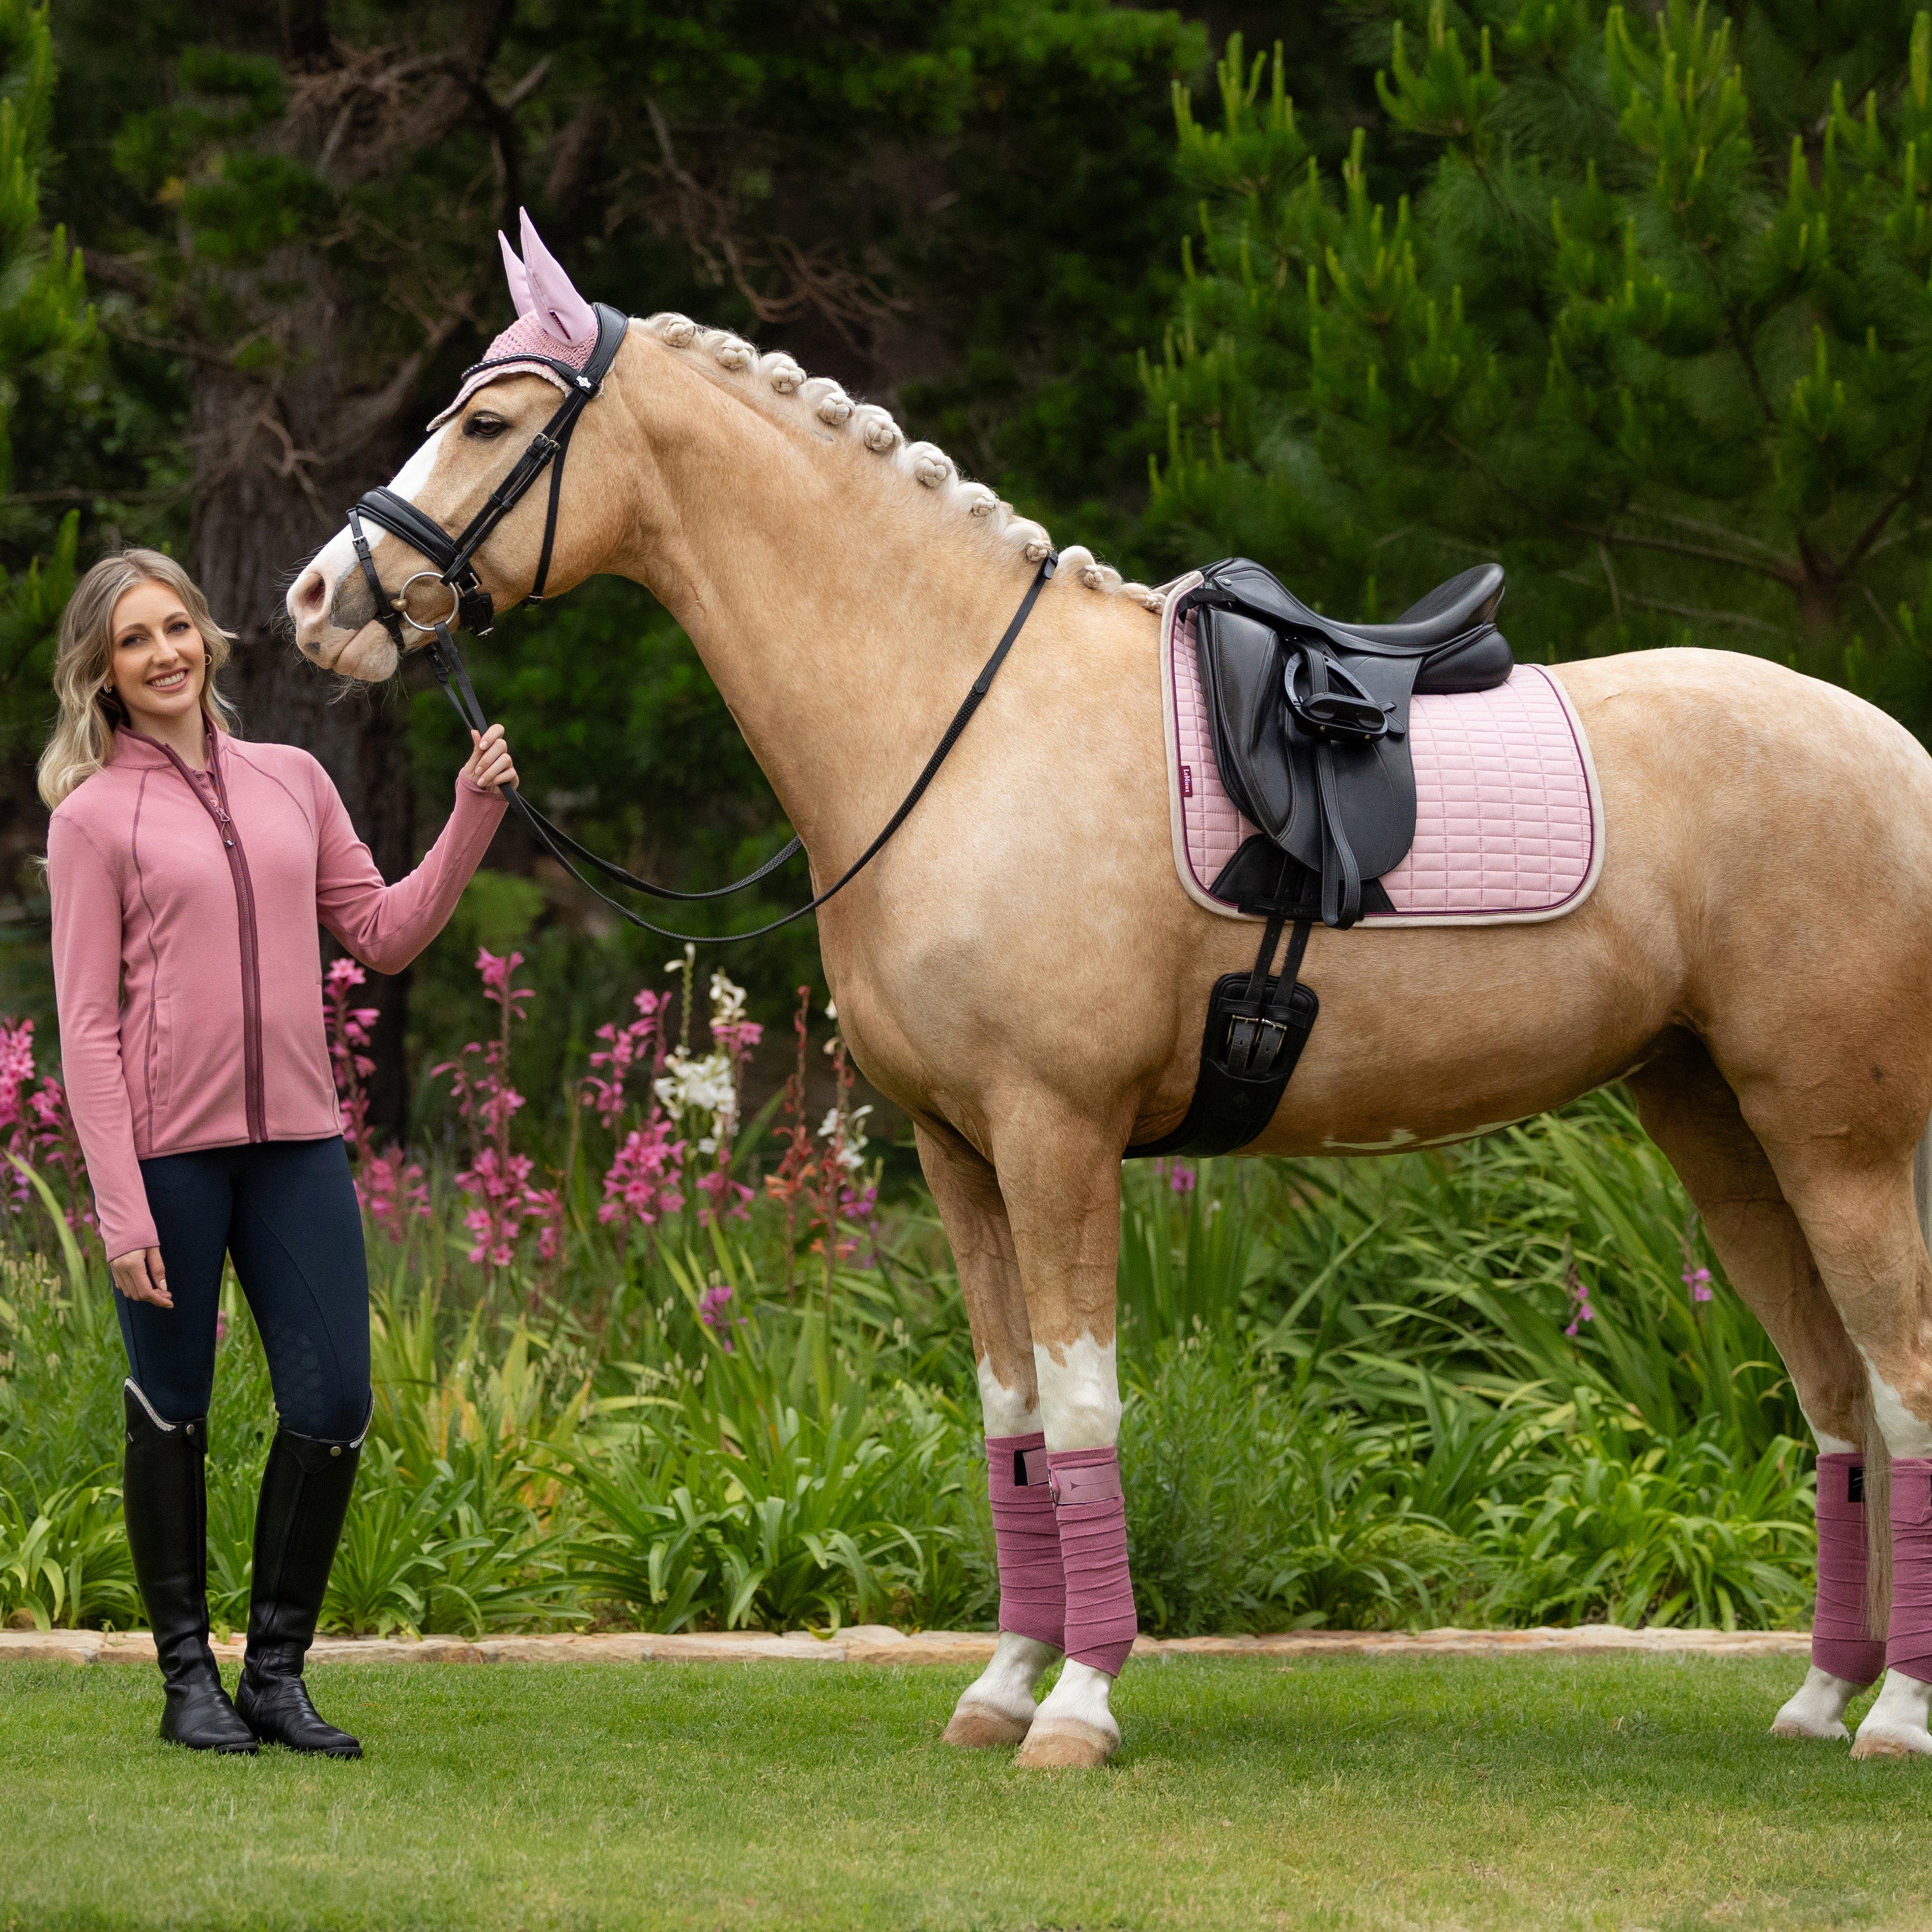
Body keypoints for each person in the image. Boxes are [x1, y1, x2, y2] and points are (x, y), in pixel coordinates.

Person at [41, 550, 513, 1755]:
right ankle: (187, 1679)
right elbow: (87, 1024)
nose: (164, 655)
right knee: (172, 1406)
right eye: (134, 641)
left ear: (208, 636)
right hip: (166, 1163)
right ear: (101, 672)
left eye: (176, 628)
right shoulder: (93, 818)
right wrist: (118, 1206)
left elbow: (384, 932)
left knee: (335, 1402)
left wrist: (471, 814)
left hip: (299, 1144)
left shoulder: (293, 779)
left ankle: (278, 1674)